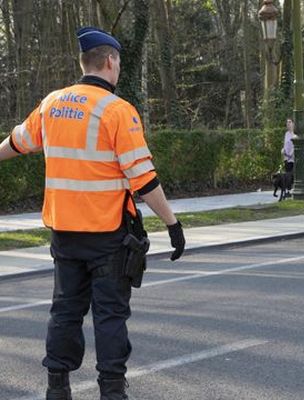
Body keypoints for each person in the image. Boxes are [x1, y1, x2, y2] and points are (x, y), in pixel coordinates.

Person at [0, 27, 186, 399]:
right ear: (111, 61)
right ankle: (112, 392)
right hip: (107, 238)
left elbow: (17, 143)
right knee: (110, 316)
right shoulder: (117, 110)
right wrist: (173, 224)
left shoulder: (53, 103)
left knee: (64, 312)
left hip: (65, 236)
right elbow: (143, 179)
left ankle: (58, 388)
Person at [281, 118, 296, 198]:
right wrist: (283, 151)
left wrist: (290, 154)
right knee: (287, 175)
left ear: (293, 124)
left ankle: (291, 190)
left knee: (291, 175)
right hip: (286, 158)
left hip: (293, 158)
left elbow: (295, 146)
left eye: (290, 122)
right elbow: (285, 145)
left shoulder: (295, 134)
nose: (288, 124)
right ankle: (288, 191)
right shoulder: (286, 134)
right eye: (287, 122)